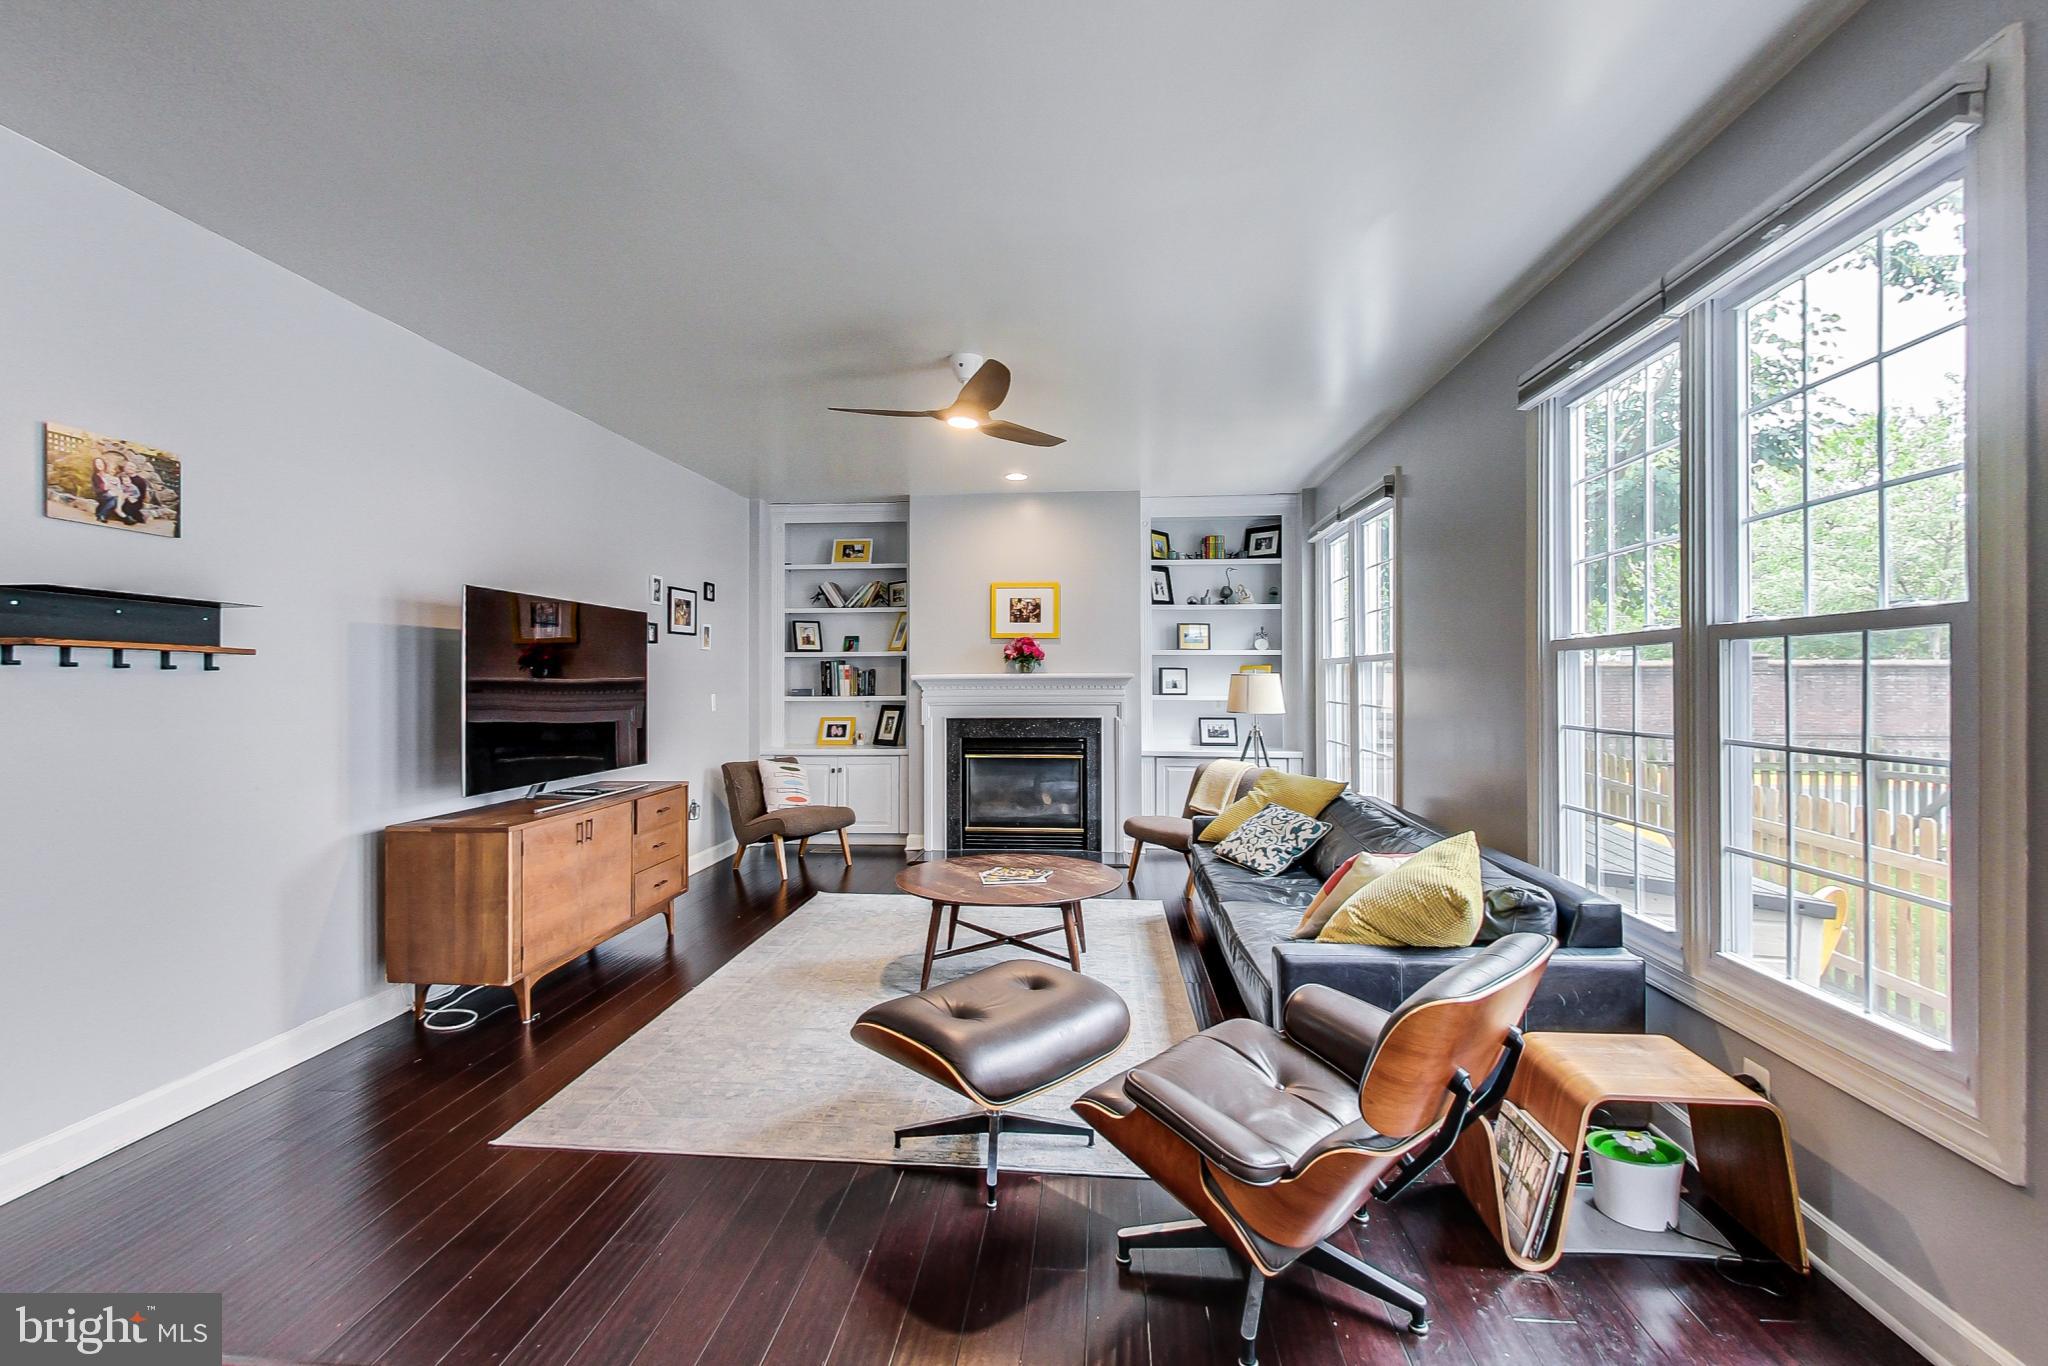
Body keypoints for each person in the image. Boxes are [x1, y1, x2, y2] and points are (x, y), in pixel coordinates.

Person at [90, 456, 121, 522]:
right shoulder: (95, 476)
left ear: (104, 464)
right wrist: (105, 488)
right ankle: (102, 515)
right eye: (97, 463)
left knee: (114, 499)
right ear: (95, 465)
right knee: (115, 499)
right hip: (101, 495)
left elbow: (115, 486)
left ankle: (100, 514)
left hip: (110, 494)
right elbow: (96, 490)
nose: (99, 464)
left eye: (101, 462)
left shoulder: (108, 475)